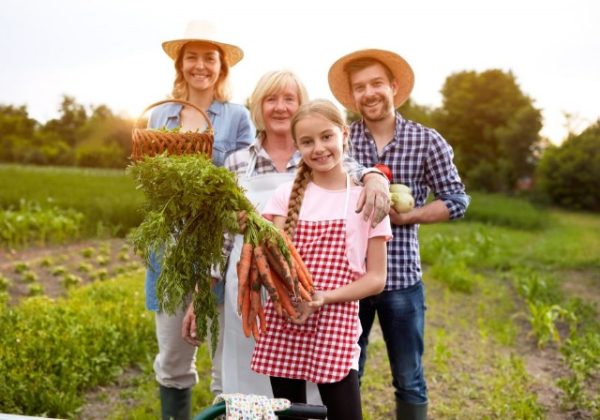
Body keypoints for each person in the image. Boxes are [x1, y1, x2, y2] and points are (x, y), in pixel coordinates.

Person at [181, 70, 391, 398]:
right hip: (249, 290)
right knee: (246, 384)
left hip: (307, 292)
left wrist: (378, 176)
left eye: (289, 99)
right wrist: (202, 294)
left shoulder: (319, 154)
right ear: (258, 108)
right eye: (271, 99)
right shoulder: (238, 161)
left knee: (316, 391)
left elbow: (361, 176)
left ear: (302, 107)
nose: (280, 107)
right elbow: (222, 239)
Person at [327, 49, 470, 420]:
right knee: (343, 374)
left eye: (376, 83)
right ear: (352, 96)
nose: (369, 93)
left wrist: (406, 218)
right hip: (350, 278)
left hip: (402, 278)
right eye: (360, 87)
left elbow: (457, 200)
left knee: (409, 378)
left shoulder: (427, 140)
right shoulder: (339, 141)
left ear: (393, 87)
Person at [250, 99, 393, 420]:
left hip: (336, 320)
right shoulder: (284, 196)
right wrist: (288, 294)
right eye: (307, 141)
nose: (318, 148)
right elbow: (272, 264)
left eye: (326, 136)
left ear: (344, 135)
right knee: (290, 416)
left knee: (345, 414)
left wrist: (323, 297)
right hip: (287, 316)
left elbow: (376, 279)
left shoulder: (365, 199)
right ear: (297, 147)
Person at [144, 21, 255, 420]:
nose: (201, 66)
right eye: (192, 57)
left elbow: (246, 182)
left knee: (226, 364)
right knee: (173, 358)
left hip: (220, 251)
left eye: (210, 58)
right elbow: (151, 179)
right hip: (170, 250)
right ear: (181, 65)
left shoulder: (237, 117)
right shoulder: (160, 117)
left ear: (221, 68)